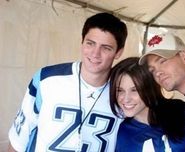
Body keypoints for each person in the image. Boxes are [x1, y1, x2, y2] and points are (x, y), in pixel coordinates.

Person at [8, 12, 127, 152]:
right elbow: (19, 139)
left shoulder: (124, 92)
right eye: (90, 43)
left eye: (106, 48)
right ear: (82, 42)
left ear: (118, 52)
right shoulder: (47, 79)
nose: (95, 53)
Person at [109, 57, 185, 152]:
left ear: (149, 88)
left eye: (134, 90)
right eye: (120, 90)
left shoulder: (182, 111)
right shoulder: (120, 134)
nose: (126, 99)